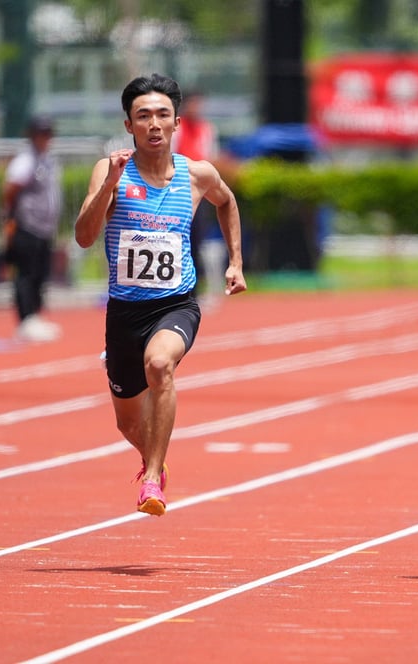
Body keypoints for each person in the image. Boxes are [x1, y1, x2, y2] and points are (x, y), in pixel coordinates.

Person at [75, 73, 246, 516]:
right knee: (128, 421)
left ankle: (151, 481)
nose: (154, 123)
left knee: (160, 365)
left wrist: (236, 261)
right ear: (129, 125)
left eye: (162, 115)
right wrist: (108, 188)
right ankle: (156, 460)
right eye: (143, 115)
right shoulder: (109, 169)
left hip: (176, 304)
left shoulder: (197, 174)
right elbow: (83, 236)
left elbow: (226, 201)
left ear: (176, 123)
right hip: (124, 312)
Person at [1, 115, 63, 342]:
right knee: (26, 274)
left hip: (44, 229)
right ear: (32, 135)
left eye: (48, 134)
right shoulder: (25, 161)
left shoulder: (47, 159)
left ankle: (35, 316)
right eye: (41, 134)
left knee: (40, 273)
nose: (45, 138)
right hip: (27, 225)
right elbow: (11, 189)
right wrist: (12, 217)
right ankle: (25, 318)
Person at [171, 89, 220, 296]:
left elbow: (211, 157)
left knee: (197, 240)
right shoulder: (176, 129)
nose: (196, 108)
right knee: (175, 240)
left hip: (198, 192)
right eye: (192, 104)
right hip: (177, 191)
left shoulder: (207, 129)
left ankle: (195, 289)